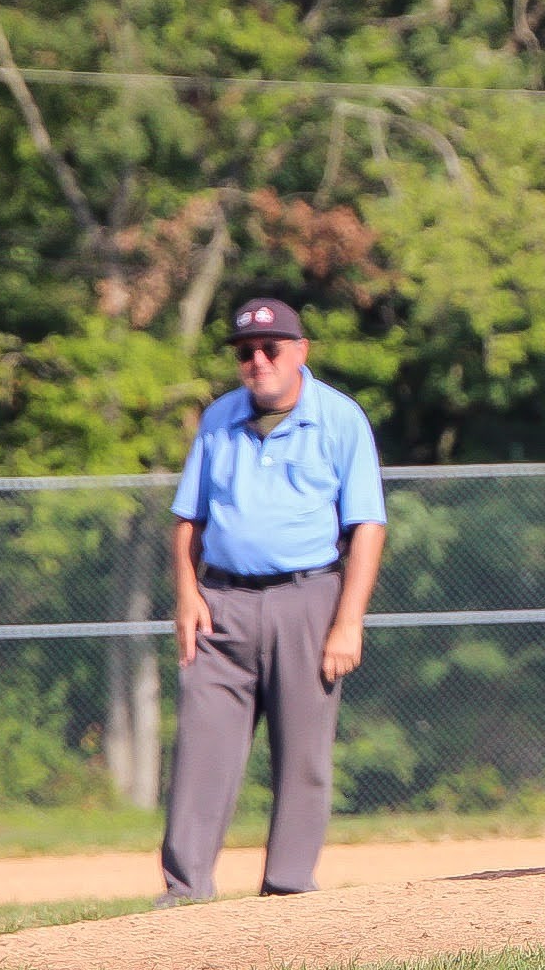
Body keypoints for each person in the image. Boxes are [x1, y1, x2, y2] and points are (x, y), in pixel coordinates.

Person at [158, 297, 388, 905]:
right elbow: (188, 519)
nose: (257, 361)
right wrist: (186, 595)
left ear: (299, 352)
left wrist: (349, 621)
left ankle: (287, 891)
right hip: (222, 603)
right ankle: (184, 890)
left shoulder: (339, 418)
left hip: (308, 598)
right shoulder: (219, 419)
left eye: (270, 348)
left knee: (303, 756)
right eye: (245, 352)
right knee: (201, 750)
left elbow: (367, 525)